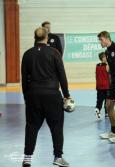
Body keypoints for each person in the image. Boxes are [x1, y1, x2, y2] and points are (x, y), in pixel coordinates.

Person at [21, 27, 70, 167]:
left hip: (33, 95)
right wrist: (66, 95)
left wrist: (26, 97)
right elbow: (62, 75)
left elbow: (24, 79)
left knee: (31, 126)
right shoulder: (54, 53)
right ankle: (58, 157)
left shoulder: (27, 54)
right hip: (52, 95)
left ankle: (27, 158)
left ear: (34, 37)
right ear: (47, 38)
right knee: (56, 126)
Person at [95, 52, 110, 119]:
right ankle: (107, 113)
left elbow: (96, 75)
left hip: (99, 86)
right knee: (107, 100)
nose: (107, 57)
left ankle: (97, 109)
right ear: (103, 58)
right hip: (107, 86)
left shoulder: (97, 65)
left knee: (99, 100)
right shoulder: (107, 65)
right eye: (106, 56)